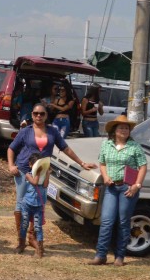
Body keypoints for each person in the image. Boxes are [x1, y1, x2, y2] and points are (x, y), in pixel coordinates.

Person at [7, 103, 95, 252]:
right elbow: (11, 148)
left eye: (42, 113)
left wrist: (81, 163)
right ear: (32, 115)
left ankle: (32, 236)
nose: (38, 116)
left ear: (47, 115)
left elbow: (65, 148)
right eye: (35, 114)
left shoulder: (52, 132)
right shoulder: (25, 131)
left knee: (37, 204)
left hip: (42, 173)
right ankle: (20, 240)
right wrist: (10, 166)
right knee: (21, 204)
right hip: (23, 171)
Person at [90, 115, 147, 267]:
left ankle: (119, 256)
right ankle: (100, 255)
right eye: (121, 127)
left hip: (127, 188)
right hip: (111, 187)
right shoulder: (106, 145)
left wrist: (137, 185)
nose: (124, 130)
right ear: (114, 130)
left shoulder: (135, 147)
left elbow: (143, 166)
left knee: (123, 222)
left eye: (126, 128)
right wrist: (105, 176)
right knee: (107, 221)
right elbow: (102, 163)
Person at [19, 153, 50, 259]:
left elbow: (45, 185)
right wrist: (38, 173)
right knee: (24, 225)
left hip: (38, 206)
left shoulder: (43, 176)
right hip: (27, 204)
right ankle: (21, 244)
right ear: (31, 165)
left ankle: (39, 250)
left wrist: (47, 174)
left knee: (38, 228)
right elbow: (35, 182)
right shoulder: (28, 174)